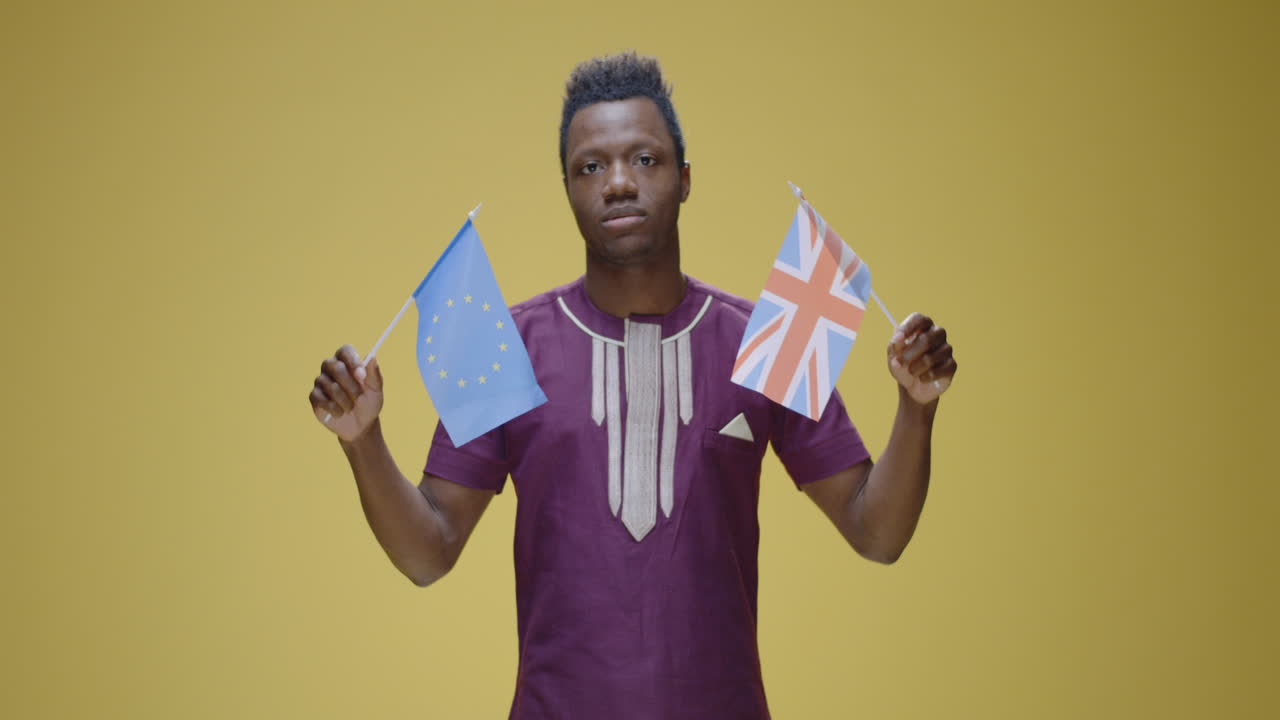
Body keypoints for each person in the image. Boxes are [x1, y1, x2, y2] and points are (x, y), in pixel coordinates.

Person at [308, 51, 956, 720]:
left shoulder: (766, 340)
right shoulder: (510, 346)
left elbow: (877, 532)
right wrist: (363, 441)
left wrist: (916, 408)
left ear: (685, 180)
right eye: (592, 166)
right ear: (567, 187)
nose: (619, 182)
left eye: (645, 160)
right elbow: (429, 551)